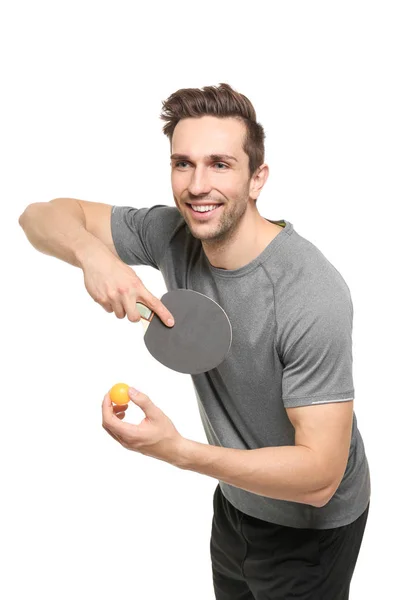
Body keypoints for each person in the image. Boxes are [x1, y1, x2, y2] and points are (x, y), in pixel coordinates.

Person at [19, 83, 371, 599]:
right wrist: (96, 257)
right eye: (182, 164)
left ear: (257, 179)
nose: (197, 185)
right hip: (236, 500)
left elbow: (319, 475)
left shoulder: (310, 293)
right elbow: (39, 214)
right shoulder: (171, 236)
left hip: (310, 531)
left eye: (220, 164)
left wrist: (178, 451)